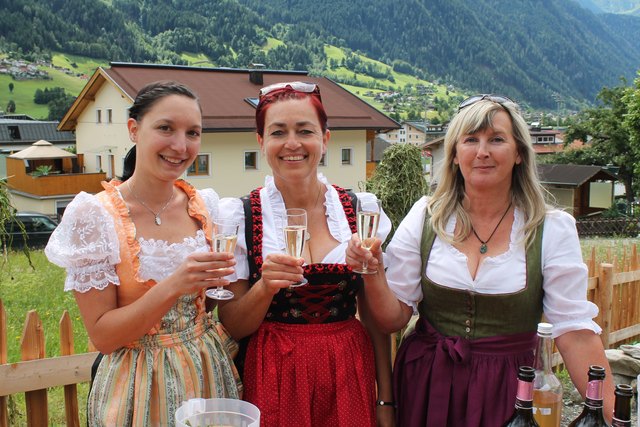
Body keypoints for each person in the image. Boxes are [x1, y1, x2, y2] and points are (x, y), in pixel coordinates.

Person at [346, 94, 615, 426]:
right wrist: (373, 271)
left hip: (510, 391)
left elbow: (574, 331)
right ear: (456, 154)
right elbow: (392, 319)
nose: (482, 151)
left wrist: (611, 417)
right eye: (470, 140)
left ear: (518, 153)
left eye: (497, 139)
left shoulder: (551, 229)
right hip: (427, 384)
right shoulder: (426, 216)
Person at [45, 81, 242, 426]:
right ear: (134, 129)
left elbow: (206, 305)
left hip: (207, 370)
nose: (180, 146)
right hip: (137, 383)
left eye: (193, 133)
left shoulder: (206, 206)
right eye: (165, 128)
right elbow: (104, 337)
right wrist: (174, 284)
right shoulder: (94, 216)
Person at [217, 81, 395, 427]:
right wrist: (265, 287)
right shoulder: (240, 215)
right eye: (278, 132)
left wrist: (385, 399)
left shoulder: (359, 211)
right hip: (273, 373)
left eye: (305, 131)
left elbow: (376, 321)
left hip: (347, 371)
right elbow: (232, 325)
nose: (292, 143)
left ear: (325, 139)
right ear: (261, 142)